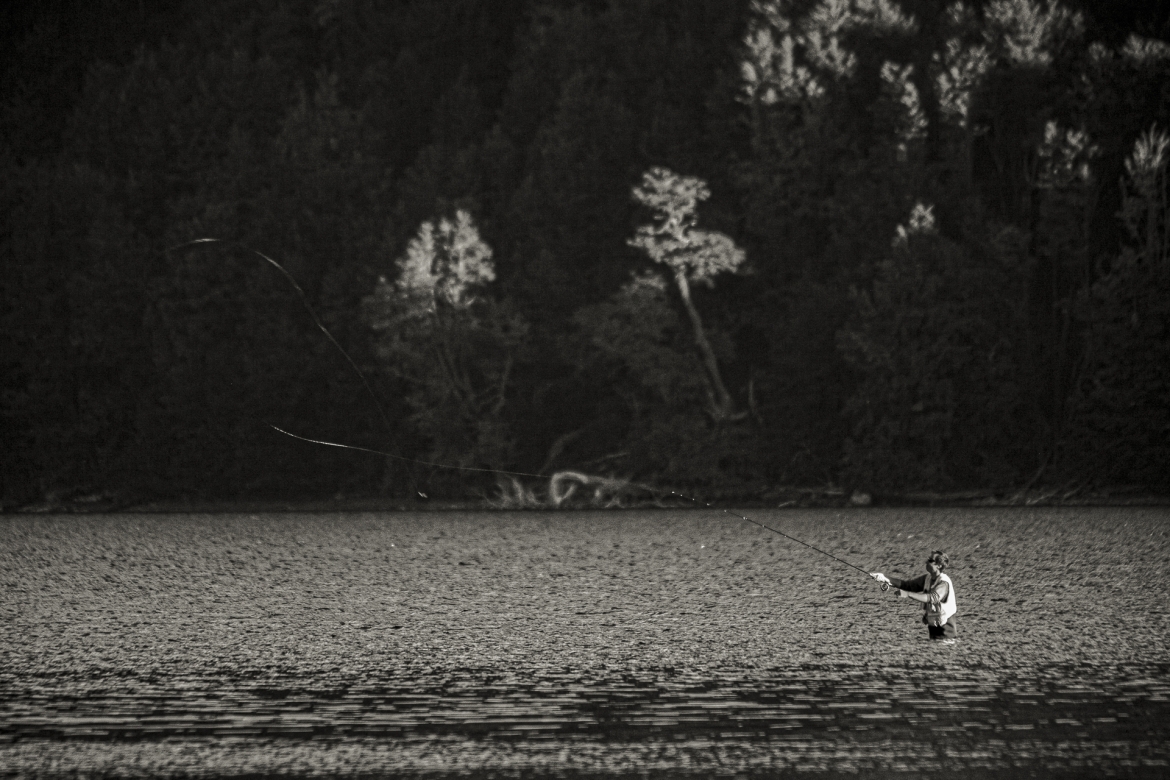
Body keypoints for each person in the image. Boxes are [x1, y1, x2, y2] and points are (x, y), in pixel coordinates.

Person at [871, 551, 958, 640]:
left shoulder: (944, 583)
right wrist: (885, 578)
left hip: (946, 632)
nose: (926, 562)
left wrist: (908, 594)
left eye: (930, 560)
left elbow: (932, 598)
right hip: (933, 628)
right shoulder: (927, 578)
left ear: (939, 565)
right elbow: (908, 585)